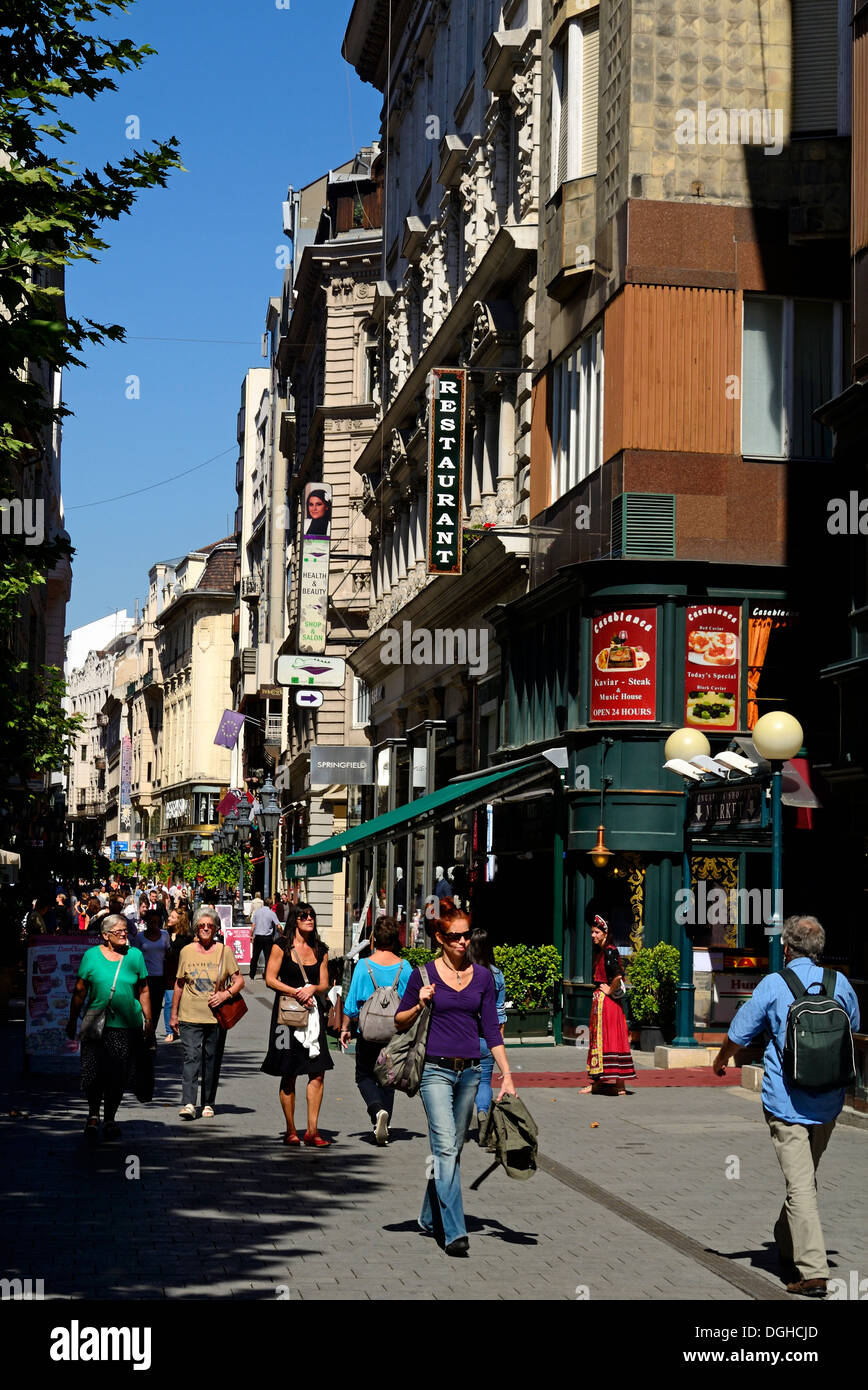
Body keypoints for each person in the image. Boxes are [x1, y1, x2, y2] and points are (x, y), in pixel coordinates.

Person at [713, 914, 859, 1297]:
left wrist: (721, 1058)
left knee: (800, 1184)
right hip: (829, 1101)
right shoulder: (839, 983)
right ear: (820, 948)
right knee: (803, 1181)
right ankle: (786, 1240)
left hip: (787, 1101)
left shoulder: (774, 985)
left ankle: (812, 1272)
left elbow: (739, 1033)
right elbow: (853, 1024)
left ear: (786, 947)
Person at [394, 899, 516, 1255]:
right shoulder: (423, 975)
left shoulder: (482, 977)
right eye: (454, 937)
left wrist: (506, 1075)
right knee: (446, 1145)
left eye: (465, 936)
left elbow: (492, 1030)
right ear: (439, 937)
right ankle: (454, 1232)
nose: (462, 943)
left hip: (471, 1073)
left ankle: (429, 1215)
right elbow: (399, 1021)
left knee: (452, 1148)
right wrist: (419, 1001)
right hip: (433, 1071)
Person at [65, 913, 152, 1142]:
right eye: (118, 931)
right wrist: (72, 1019)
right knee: (93, 1072)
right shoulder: (91, 956)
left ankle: (110, 1118)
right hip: (95, 1023)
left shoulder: (135, 956)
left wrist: (149, 1021)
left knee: (117, 1074)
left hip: (126, 1025)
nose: (124, 934)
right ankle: (93, 1114)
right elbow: (80, 990)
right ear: (105, 935)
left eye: (125, 930)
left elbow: (143, 990)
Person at [261, 903, 333, 1146]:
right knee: (288, 1071)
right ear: (295, 919)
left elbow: (324, 984)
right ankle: (291, 1129)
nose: (309, 919)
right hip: (286, 1017)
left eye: (312, 915)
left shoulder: (320, 949)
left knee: (318, 1072)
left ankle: (312, 1130)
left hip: (313, 1017)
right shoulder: (282, 946)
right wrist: (295, 991)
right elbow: (269, 979)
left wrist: (313, 988)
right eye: (304, 915)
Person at [339, 916, 413, 1145]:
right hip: (395, 1033)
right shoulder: (405, 967)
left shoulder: (364, 965)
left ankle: (377, 1111)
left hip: (368, 1033)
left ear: (374, 939)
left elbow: (351, 1003)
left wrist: (345, 1028)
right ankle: (385, 1123)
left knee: (364, 1075)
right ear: (395, 939)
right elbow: (411, 1003)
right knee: (388, 1078)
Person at [169, 906, 244, 1120]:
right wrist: (173, 1014)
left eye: (209, 926)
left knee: (212, 1058)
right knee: (191, 1057)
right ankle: (189, 1103)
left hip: (216, 1016)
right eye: (201, 926)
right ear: (195, 928)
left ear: (215, 928)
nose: (205, 929)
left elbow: (239, 981)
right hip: (189, 1014)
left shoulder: (224, 951)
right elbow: (179, 984)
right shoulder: (186, 951)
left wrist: (225, 995)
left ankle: (208, 1102)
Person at [580, 915, 635, 1096]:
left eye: (596, 932)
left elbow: (618, 975)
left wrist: (609, 990)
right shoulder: (605, 951)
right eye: (592, 932)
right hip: (610, 1003)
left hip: (606, 1004)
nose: (593, 935)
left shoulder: (609, 951)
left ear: (605, 933)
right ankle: (620, 1085)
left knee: (601, 1039)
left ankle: (598, 1083)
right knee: (614, 1039)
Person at [466, 926, 507, 1130]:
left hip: (463, 1038)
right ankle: (482, 1111)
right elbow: (500, 1015)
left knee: (461, 1082)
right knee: (484, 1081)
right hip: (487, 1039)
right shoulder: (497, 975)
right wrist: (497, 1044)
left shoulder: (464, 973)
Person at [134, 910, 172, 1048]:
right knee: (143, 1007)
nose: (154, 925)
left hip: (160, 977)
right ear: (147, 923)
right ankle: (144, 1035)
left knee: (156, 1008)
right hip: (144, 977)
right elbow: (135, 956)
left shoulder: (165, 935)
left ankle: (151, 1035)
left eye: (156, 922)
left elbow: (169, 953)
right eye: (151, 922)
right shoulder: (139, 937)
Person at [249, 896, 281, 979]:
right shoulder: (272, 913)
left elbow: (253, 925)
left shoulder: (257, 912)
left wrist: (251, 935)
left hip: (258, 937)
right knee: (268, 957)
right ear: (270, 904)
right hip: (267, 938)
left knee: (255, 956)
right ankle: (266, 974)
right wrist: (282, 933)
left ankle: (252, 974)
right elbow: (278, 926)